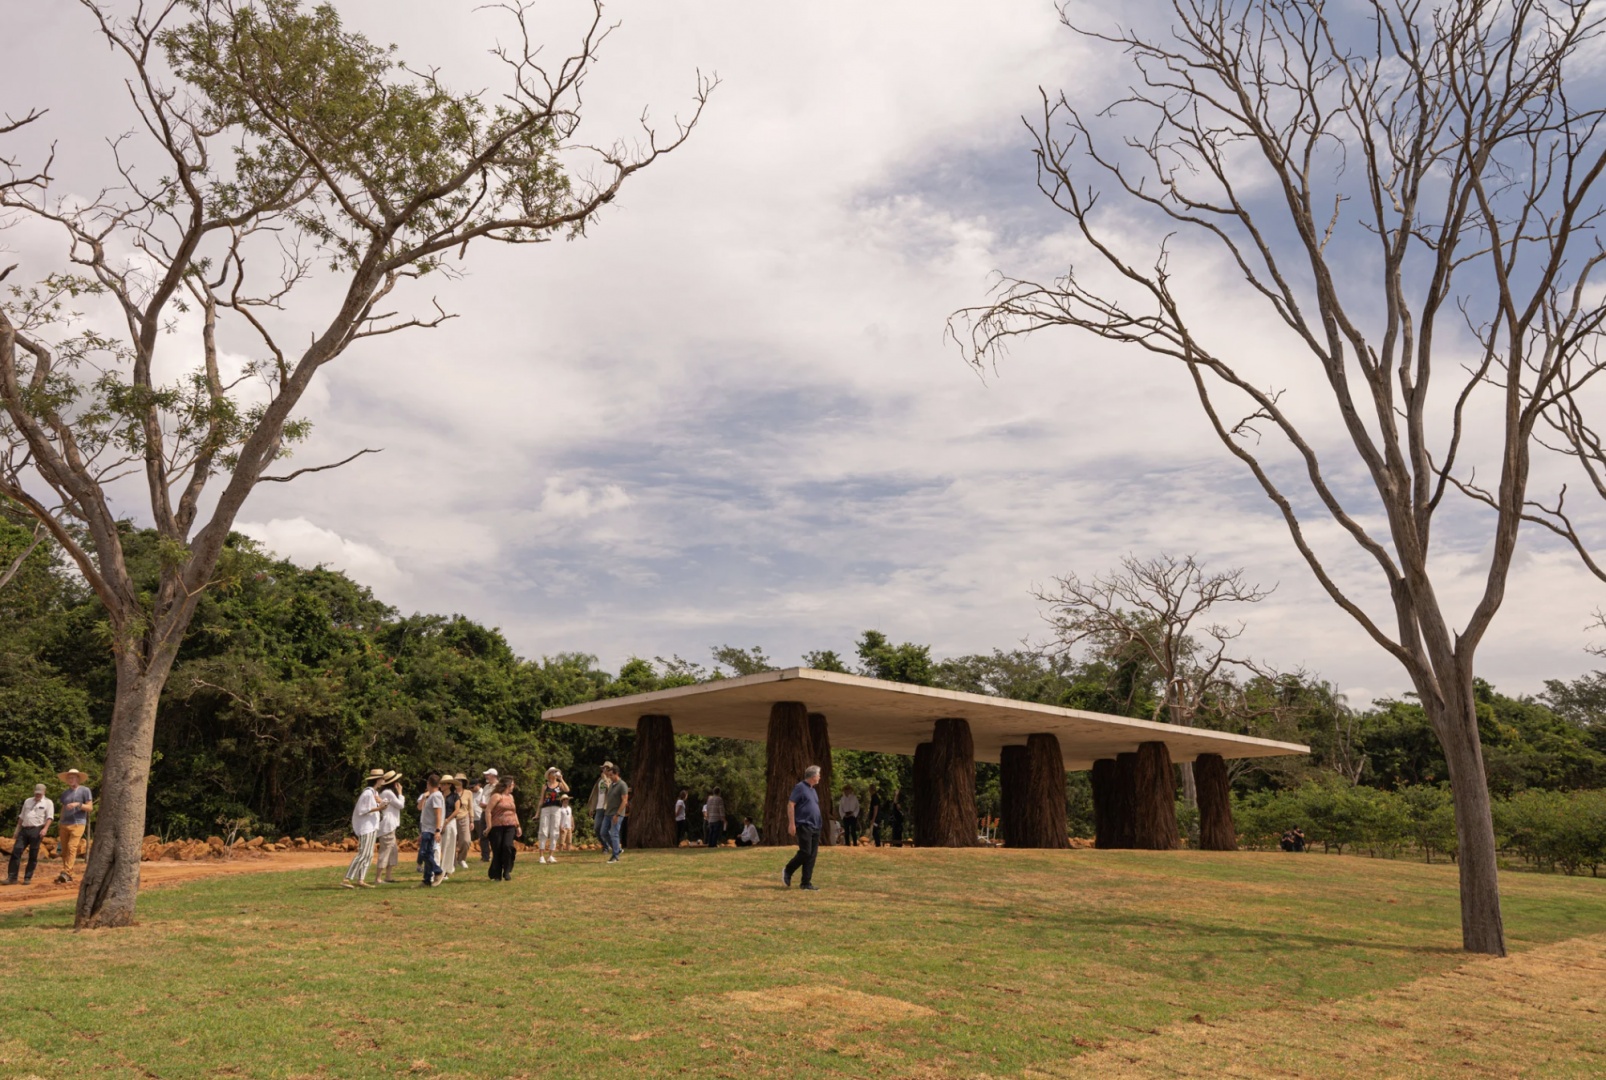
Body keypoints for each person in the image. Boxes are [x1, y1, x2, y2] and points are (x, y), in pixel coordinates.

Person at [342, 768, 386, 888]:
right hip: (366, 827)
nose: (383, 780)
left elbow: (383, 805)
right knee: (363, 853)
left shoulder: (374, 793)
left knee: (369, 854)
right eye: (382, 778)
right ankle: (347, 878)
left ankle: (361, 879)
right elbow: (362, 810)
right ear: (377, 780)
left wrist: (381, 803)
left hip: (372, 826)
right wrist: (379, 808)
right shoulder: (367, 793)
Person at [783, 764, 823, 891]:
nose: (820, 777)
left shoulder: (813, 790)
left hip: (816, 826)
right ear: (813, 776)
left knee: (812, 855)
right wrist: (791, 823)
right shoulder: (800, 787)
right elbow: (791, 804)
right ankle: (788, 870)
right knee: (805, 852)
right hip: (804, 824)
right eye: (819, 775)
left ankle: (806, 883)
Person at [5, 784, 54, 886]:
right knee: (16, 851)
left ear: (44, 792)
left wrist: (45, 829)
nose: (37, 795)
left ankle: (27, 877)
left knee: (33, 854)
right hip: (24, 829)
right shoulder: (28, 801)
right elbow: (21, 817)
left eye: (40, 793)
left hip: (37, 830)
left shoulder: (48, 803)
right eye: (36, 793)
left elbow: (50, 817)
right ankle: (12, 877)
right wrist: (16, 831)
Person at [56, 767, 93, 883]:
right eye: (68, 778)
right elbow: (63, 808)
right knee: (64, 850)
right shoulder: (65, 793)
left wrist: (78, 804)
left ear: (78, 778)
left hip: (78, 824)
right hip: (64, 824)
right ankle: (67, 873)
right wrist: (60, 821)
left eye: (72, 777)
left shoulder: (85, 790)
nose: (70, 779)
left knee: (72, 847)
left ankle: (67, 872)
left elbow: (90, 808)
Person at [486, 777, 521, 881]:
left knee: (508, 847)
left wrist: (518, 826)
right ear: (507, 785)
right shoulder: (496, 796)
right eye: (513, 785)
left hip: (510, 826)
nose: (513, 787)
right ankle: (496, 874)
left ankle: (506, 870)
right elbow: (488, 811)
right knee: (497, 850)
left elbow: (514, 812)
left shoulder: (511, 797)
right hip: (497, 826)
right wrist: (489, 826)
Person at [416, 773, 446, 887]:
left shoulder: (436, 796)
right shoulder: (432, 796)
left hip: (431, 830)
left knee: (423, 853)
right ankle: (427, 880)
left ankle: (438, 871)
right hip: (427, 829)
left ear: (428, 783)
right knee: (428, 853)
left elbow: (438, 814)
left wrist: (437, 830)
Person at [374, 772, 405, 884]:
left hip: (390, 826)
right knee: (386, 851)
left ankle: (388, 876)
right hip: (387, 826)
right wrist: (401, 793)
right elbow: (401, 805)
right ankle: (378, 878)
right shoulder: (388, 793)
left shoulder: (386, 792)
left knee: (392, 851)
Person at [537, 767, 568, 864]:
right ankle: (541, 856)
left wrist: (561, 779)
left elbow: (567, 790)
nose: (554, 773)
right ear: (549, 774)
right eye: (552, 772)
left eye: (555, 772)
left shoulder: (559, 785)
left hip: (556, 808)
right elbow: (541, 799)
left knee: (554, 831)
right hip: (546, 808)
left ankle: (551, 855)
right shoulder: (545, 786)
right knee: (543, 830)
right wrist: (537, 813)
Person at [601, 764, 629, 863]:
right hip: (608, 813)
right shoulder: (612, 785)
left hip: (616, 814)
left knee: (614, 834)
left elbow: (624, 801)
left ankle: (615, 856)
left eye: (611, 775)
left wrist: (617, 814)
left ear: (617, 774)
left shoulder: (622, 785)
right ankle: (617, 849)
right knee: (603, 832)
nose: (610, 777)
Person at [437, 776, 461, 881]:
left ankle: (445, 870)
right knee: (438, 847)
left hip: (450, 822)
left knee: (448, 846)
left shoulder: (455, 796)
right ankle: (437, 869)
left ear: (449, 785)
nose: (441, 786)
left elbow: (457, 810)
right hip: (439, 821)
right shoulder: (439, 796)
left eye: (444, 784)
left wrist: (447, 821)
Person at [587, 764, 613, 845]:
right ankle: (605, 845)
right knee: (597, 828)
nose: (604, 770)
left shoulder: (612, 780)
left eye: (606, 768)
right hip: (599, 807)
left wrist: (606, 780)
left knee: (606, 829)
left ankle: (612, 847)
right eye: (603, 768)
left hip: (608, 807)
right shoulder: (599, 780)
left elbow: (611, 791)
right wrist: (592, 808)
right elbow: (595, 795)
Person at [476, 769, 498, 861]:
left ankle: (497, 856)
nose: (486, 777)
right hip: (484, 812)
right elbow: (483, 799)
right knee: (483, 835)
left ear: (493, 775)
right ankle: (485, 857)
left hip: (494, 813)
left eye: (488, 775)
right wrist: (482, 804)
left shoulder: (498, 786)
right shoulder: (486, 787)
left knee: (495, 835)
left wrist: (488, 805)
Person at [452, 778, 474, 871]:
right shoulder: (450, 793)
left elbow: (470, 807)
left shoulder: (468, 793)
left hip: (464, 818)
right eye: (456, 781)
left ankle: (461, 859)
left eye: (460, 781)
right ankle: (452, 861)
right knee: (452, 841)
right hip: (452, 818)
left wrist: (472, 820)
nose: (458, 783)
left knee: (466, 840)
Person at [866, 783, 882, 848]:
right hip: (875, 817)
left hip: (876, 818)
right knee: (875, 831)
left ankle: (878, 844)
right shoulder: (874, 797)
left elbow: (876, 808)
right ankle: (877, 844)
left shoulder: (875, 797)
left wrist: (873, 818)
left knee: (875, 830)